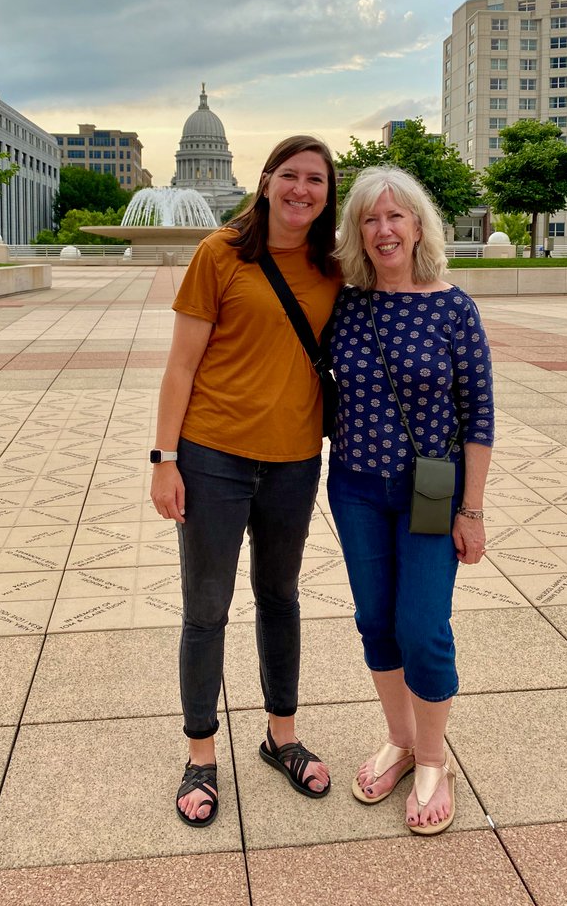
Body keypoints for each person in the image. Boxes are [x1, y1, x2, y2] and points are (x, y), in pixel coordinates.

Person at [150, 135, 341, 828]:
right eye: (289, 175)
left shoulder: (333, 266)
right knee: (206, 608)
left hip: (295, 459)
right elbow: (181, 365)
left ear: (328, 193)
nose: (301, 189)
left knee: (280, 598)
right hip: (213, 457)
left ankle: (280, 736)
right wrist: (164, 458)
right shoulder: (220, 253)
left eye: (315, 179)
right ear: (264, 182)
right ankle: (200, 754)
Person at [327, 166, 494, 836]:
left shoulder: (453, 308)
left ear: (419, 226)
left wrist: (472, 511)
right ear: (356, 231)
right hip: (356, 488)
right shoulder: (346, 304)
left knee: (422, 626)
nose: (384, 229)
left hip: (431, 490)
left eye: (396, 216)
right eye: (369, 218)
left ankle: (433, 759)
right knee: (375, 620)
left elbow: (478, 415)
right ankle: (399, 742)